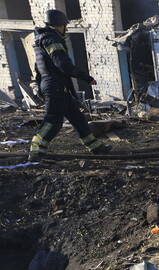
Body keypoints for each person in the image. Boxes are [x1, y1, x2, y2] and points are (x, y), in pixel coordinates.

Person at [28, 9, 111, 161]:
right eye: (64, 25)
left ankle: (96, 148)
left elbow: (39, 68)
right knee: (53, 120)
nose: (65, 29)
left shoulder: (43, 38)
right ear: (58, 25)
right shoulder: (52, 39)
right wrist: (86, 77)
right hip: (55, 87)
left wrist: (40, 86)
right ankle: (36, 153)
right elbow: (63, 65)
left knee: (78, 118)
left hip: (58, 87)